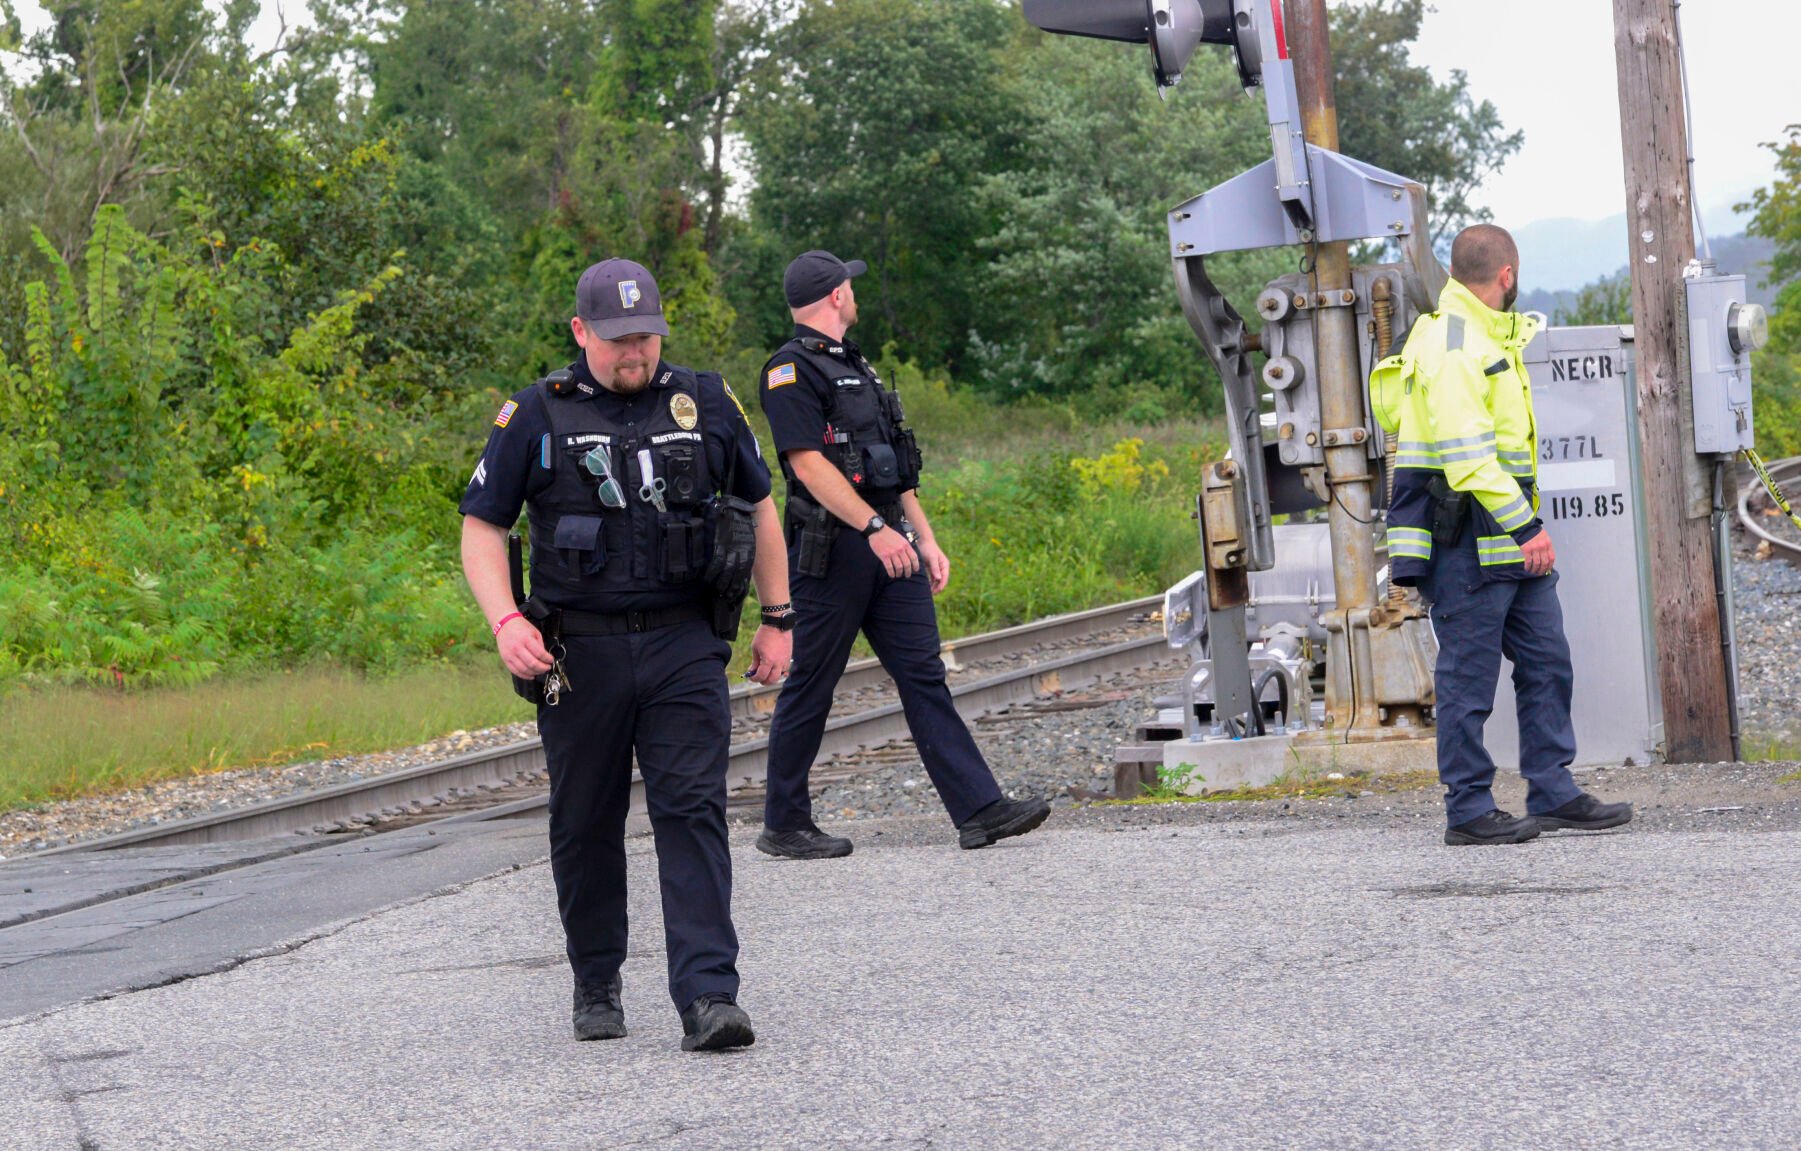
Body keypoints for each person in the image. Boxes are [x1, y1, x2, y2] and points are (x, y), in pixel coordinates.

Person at [459, 257, 795, 1049]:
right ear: (581, 332)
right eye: (617, 340)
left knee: (692, 809)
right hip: (578, 653)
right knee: (584, 822)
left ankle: (709, 994)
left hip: (683, 641)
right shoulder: (536, 413)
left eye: (645, 337)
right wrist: (506, 621)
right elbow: (482, 526)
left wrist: (778, 617)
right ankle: (595, 977)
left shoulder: (705, 401)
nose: (633, 353)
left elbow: (759, 505)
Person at [753, 250, 1050, 859]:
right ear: (836, 295)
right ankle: (784, 824)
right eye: (850, 286)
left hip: (892, 545)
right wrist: (871, 529)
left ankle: (979, 810)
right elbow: (807, 465)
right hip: (834, 550)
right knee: (813, 682)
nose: (853, 294)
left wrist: (923, 534)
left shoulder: (854, 366)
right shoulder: (788, 372)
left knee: (923, 676)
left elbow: (895, 466)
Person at [1378, 224, 1633, 846]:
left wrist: (1521, 533)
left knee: (1547, 661)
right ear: (1507, 276)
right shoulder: (1458, 344)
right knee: (1468, 680)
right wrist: (1529, 528)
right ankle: (1467, 810)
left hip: (1506, 543)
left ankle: (1552, 790)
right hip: (1468, 542)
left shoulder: (1485, 334)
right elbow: (1468, 459)